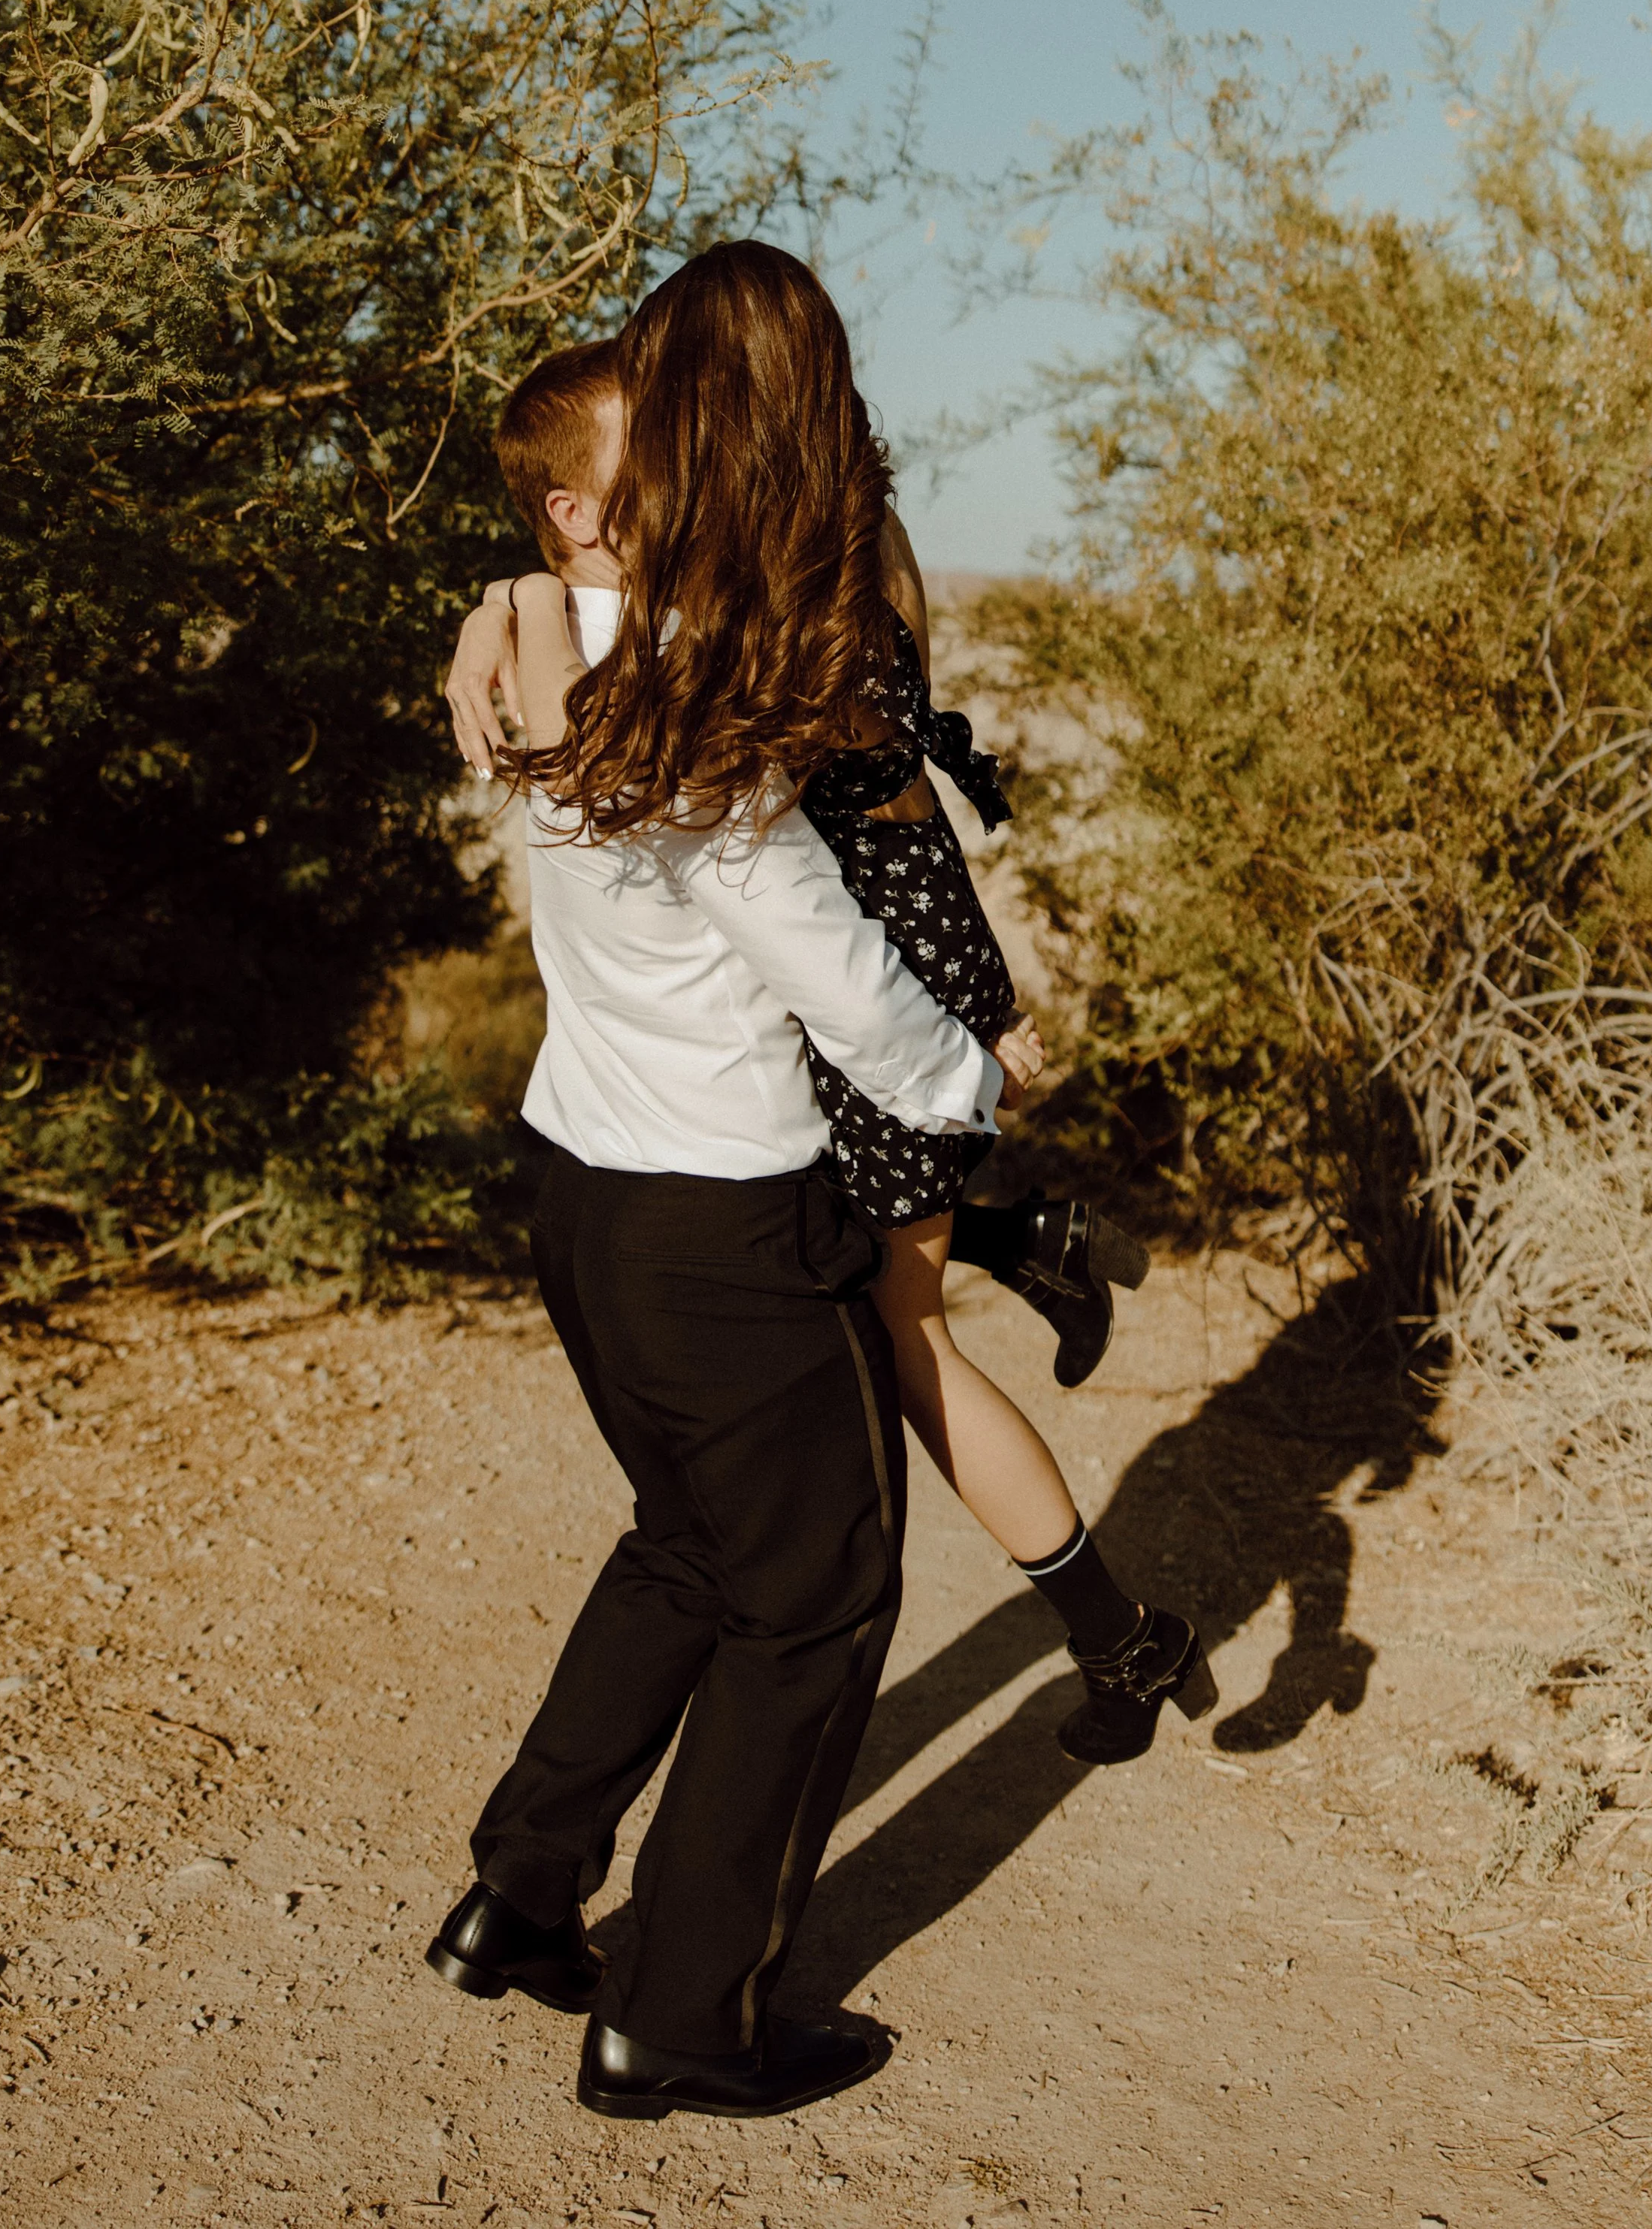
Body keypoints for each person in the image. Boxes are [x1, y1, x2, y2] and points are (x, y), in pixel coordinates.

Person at [422, 245, 1035, 2125]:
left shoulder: (570, 667)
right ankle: (684, 2013)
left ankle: (522, 1898)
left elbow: (617, 581)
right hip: (718, 1222)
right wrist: (974, 1078)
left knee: (688, 1545)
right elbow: (834, 974)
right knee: (818, 1591)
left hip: (585, 1192)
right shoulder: (685, 708)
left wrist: (524, 580)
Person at [450, 307, 1215, 1770]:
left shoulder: (797, 594)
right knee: (886, 1305)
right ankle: (1033, 1295)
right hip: (846, 1009)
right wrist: (514, 603)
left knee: (900, 1333)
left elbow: (829, 804)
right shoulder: (827, 553)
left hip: (857, 1010)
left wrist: (521, 610)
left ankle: (1116, 1618)